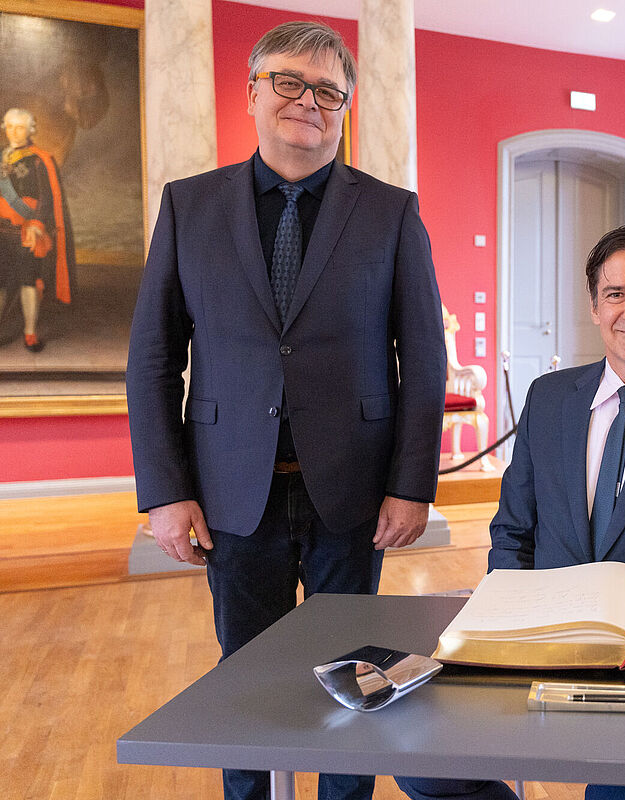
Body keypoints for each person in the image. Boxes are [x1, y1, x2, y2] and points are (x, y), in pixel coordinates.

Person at [125, 21, 446, 800]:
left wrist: (412, 485)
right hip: (233, 493)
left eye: (328, 91)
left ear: (345, 108)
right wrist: (166, 493)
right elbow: (154, 358)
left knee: (355, 679)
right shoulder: (189, 206)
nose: (308, 102)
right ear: (253, 93)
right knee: (247, 676)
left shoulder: (392, 212)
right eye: (289, 83)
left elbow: (424, 358)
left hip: (353, 493)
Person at [395, 224, 625, 800]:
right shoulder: (548, 399)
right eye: (617, 294)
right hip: (539, 641)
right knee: (426, 770)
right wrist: (506, 620)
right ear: (595, 306)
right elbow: (514, 529)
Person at [0, 107, 73, 351]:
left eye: (19, 127)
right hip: (1, 232)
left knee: (28, 282)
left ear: (30, 130)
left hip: (26, 232)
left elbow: (47, 198)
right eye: (10, 126)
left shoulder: (41, 159)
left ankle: (30, 333)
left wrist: (36, 223)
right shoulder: (1, 157)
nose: (14, 132)